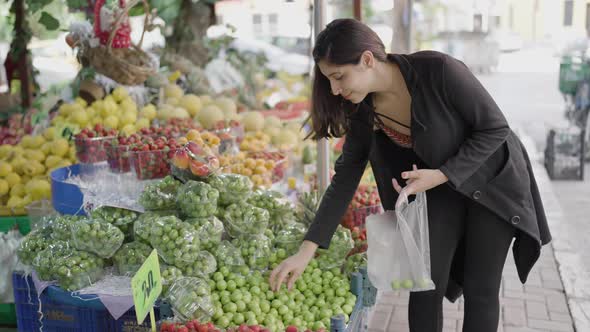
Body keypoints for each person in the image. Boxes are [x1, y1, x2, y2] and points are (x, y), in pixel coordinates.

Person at [269, 18, 552, 332]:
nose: (335, 90)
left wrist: (443, 174)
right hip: (438, 191)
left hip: (492, 182)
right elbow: (346, 175)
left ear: (366, 60)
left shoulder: (440, 70)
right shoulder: (363, 110)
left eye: (339, 76)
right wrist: (306, 249)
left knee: (481, 290)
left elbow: (495, 128)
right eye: (329, 80)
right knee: (424, 286)